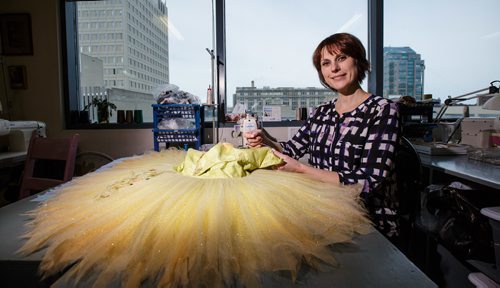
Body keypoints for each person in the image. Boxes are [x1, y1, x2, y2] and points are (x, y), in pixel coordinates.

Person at [244, 32, 401, 237]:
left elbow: (369, 182)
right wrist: (265, 139)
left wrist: (300, 169)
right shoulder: (322, 112)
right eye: (326, 63)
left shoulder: (383, 110)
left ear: (358, 61)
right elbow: (291, 149)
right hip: (325, 212)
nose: (334, 68)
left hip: (370, 223)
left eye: (341, 58)